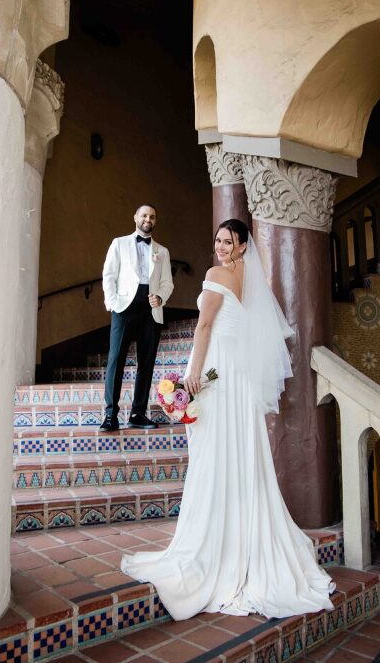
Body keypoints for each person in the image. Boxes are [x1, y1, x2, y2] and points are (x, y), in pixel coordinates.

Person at [121, 218, 335, 619]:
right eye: (218, 239)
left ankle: (215, 545)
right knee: (234, 453)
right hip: (234, 377)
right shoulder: (246, 279)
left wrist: (192, 374)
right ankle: (239, 532)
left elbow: (204, 326)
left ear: (241, 247)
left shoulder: (217, 273)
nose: (220, 246)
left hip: (215, 373)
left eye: (228, 241)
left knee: (213, 454)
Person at [101, 204, 174, 431]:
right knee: (116, 360)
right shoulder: (119, 243)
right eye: (144, 215)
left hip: (151, 308)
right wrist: (113, 303)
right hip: (124, 307)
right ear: (135, 217)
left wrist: (160, 297)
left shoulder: (162, 251)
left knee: (146, 363)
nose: (147, 219)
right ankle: (111, 415)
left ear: (155, 220)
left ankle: (138, 413)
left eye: (152, 216)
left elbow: (167, 282)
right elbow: (109, 275)